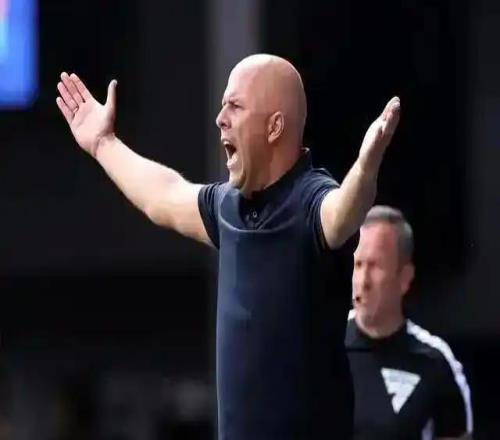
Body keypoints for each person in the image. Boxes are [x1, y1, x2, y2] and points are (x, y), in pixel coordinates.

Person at [55, 53, 400, 439]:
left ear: (274, 127)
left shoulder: (310, 200)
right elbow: (163, 196)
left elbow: (341, 215)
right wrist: (103, 144)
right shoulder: (227, 207)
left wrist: (365, 169)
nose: (220, 118)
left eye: (235, 106)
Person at [346, 205, 473, 439]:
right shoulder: (320, 345)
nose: (362, 281)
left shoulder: (435, 361)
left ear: (404, 278)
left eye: (375, 266)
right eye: (358, 264)